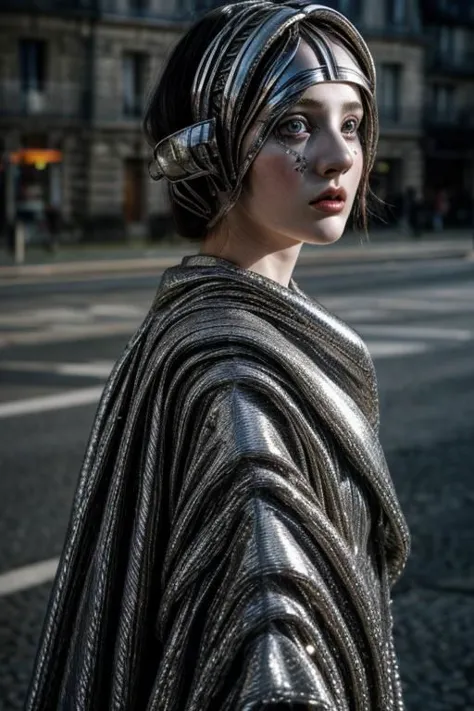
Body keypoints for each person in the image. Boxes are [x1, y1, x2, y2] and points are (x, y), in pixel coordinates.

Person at [26, 2, 410, 709]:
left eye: (350, 124)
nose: (338, 156)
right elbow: (275, 651)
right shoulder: (240, 379)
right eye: (293, 124)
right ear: (209, 144)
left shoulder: (195, 325)